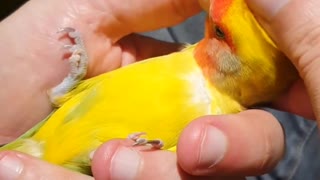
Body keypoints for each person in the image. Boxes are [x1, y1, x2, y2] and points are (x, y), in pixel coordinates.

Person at [0, 0, 319, 179]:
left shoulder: (220, 119)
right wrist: (73, 70)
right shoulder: (187, 57)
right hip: (34, 135)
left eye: (219, 31)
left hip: (53, 164)